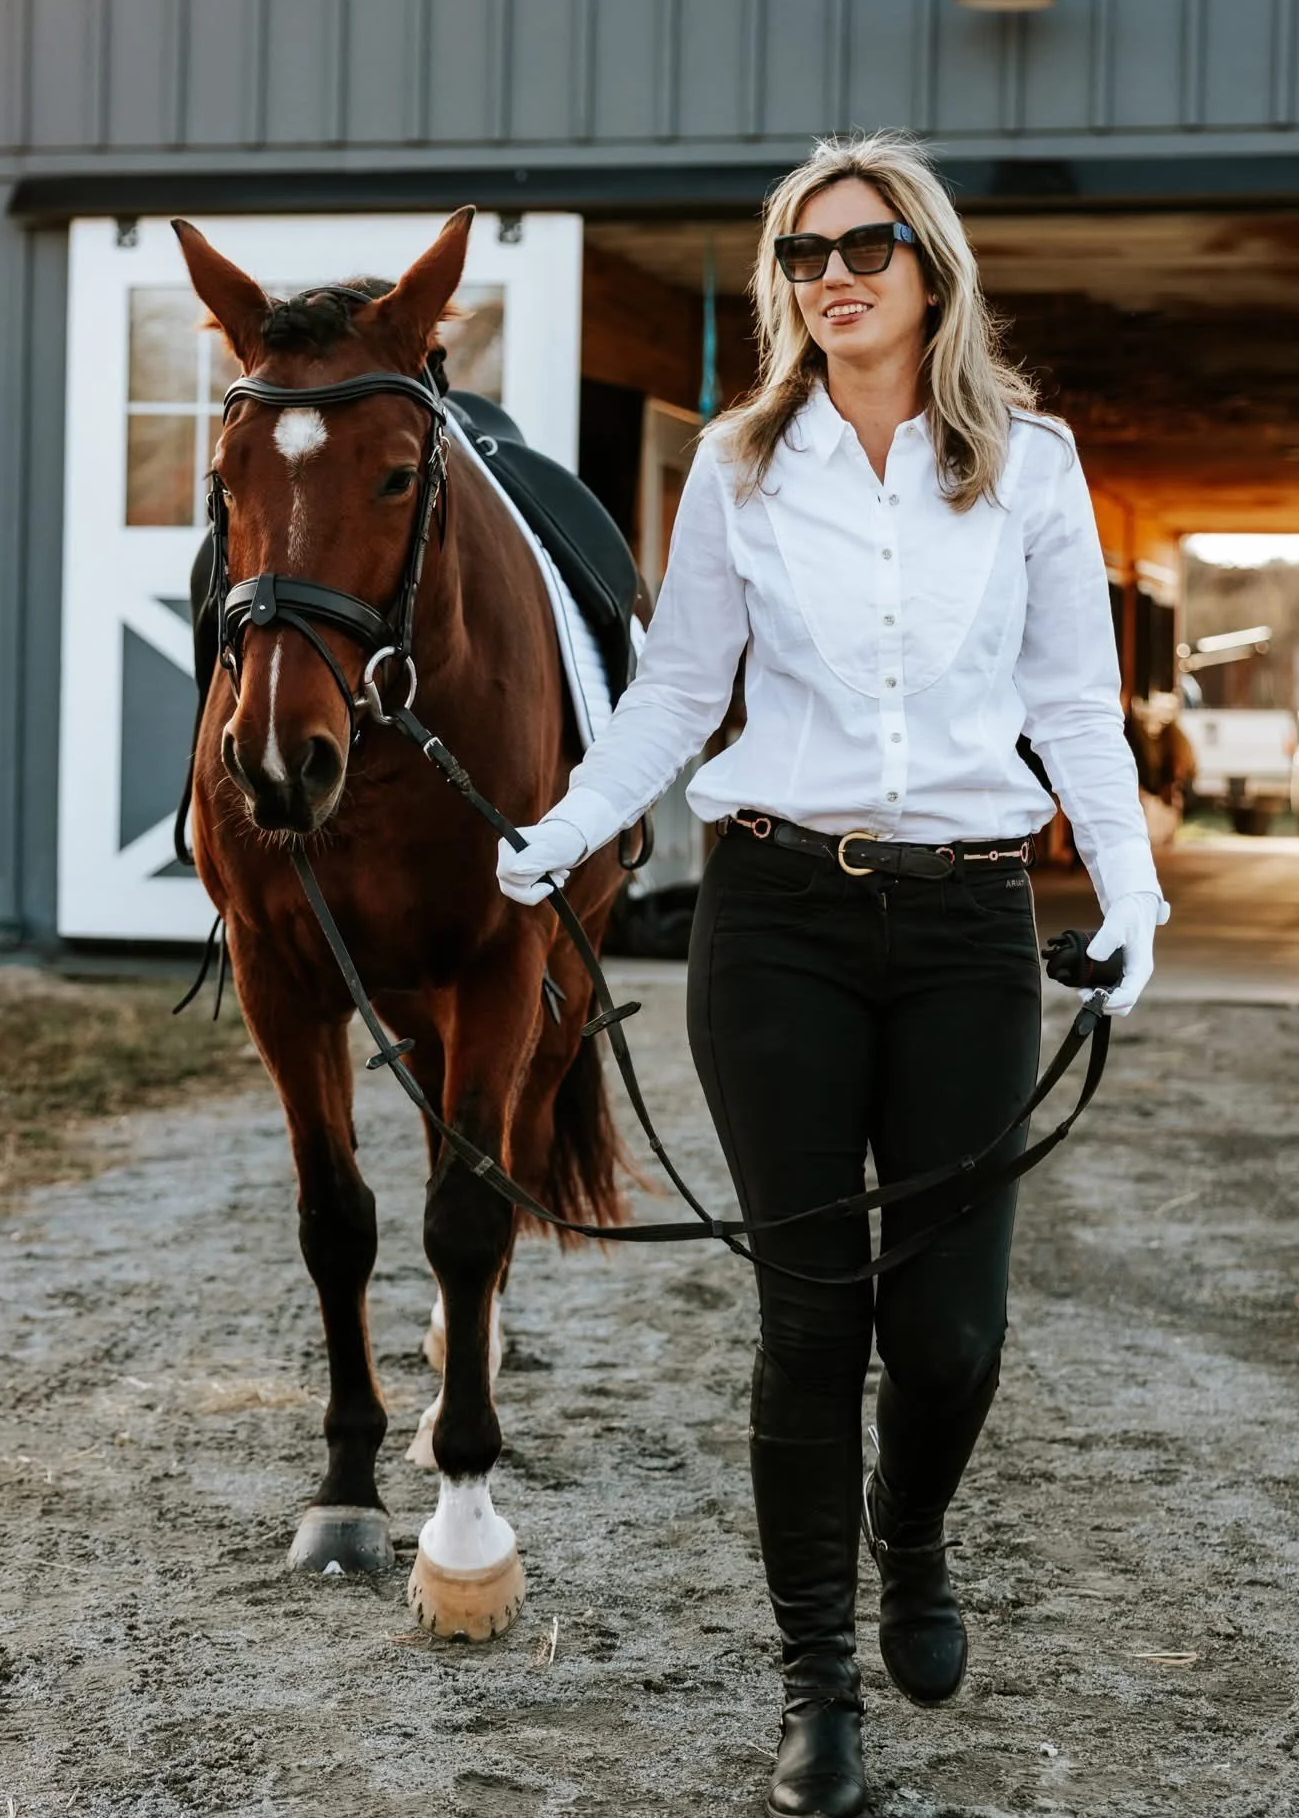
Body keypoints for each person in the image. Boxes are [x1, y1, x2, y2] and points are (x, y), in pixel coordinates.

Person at [495, 131, 1170, 1818]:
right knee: (810, 1319)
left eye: (864, 242)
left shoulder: (1027, 465)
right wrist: (566, 823)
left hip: (962, 926)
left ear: (929, 263)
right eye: (801, 254)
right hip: (776, 918)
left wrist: (1133, 888)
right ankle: (816, 1689)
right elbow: (673, 693)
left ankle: (913, 1530)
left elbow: (1074, 701)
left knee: (946, 1333)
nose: (831, 274)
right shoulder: (737, 464)